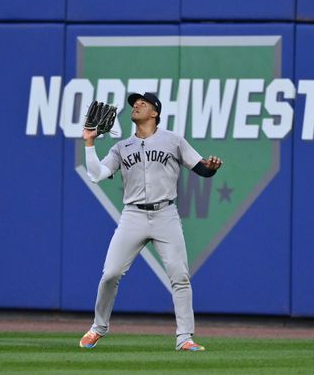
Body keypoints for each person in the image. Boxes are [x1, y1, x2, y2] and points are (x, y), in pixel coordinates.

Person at [79, 92, 223, 352]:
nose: (136, 105)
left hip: (165, 214)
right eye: (134, 103)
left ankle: (184, 338)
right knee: (110, 273)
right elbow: (96, 174)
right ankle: (98, 328)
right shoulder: (121, 147)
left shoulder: (173, 140)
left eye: (143, 103)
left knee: (180, 276)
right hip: (132, 215)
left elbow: (200, 167)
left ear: (155, 112)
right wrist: (89, 143)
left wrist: (211, 167)